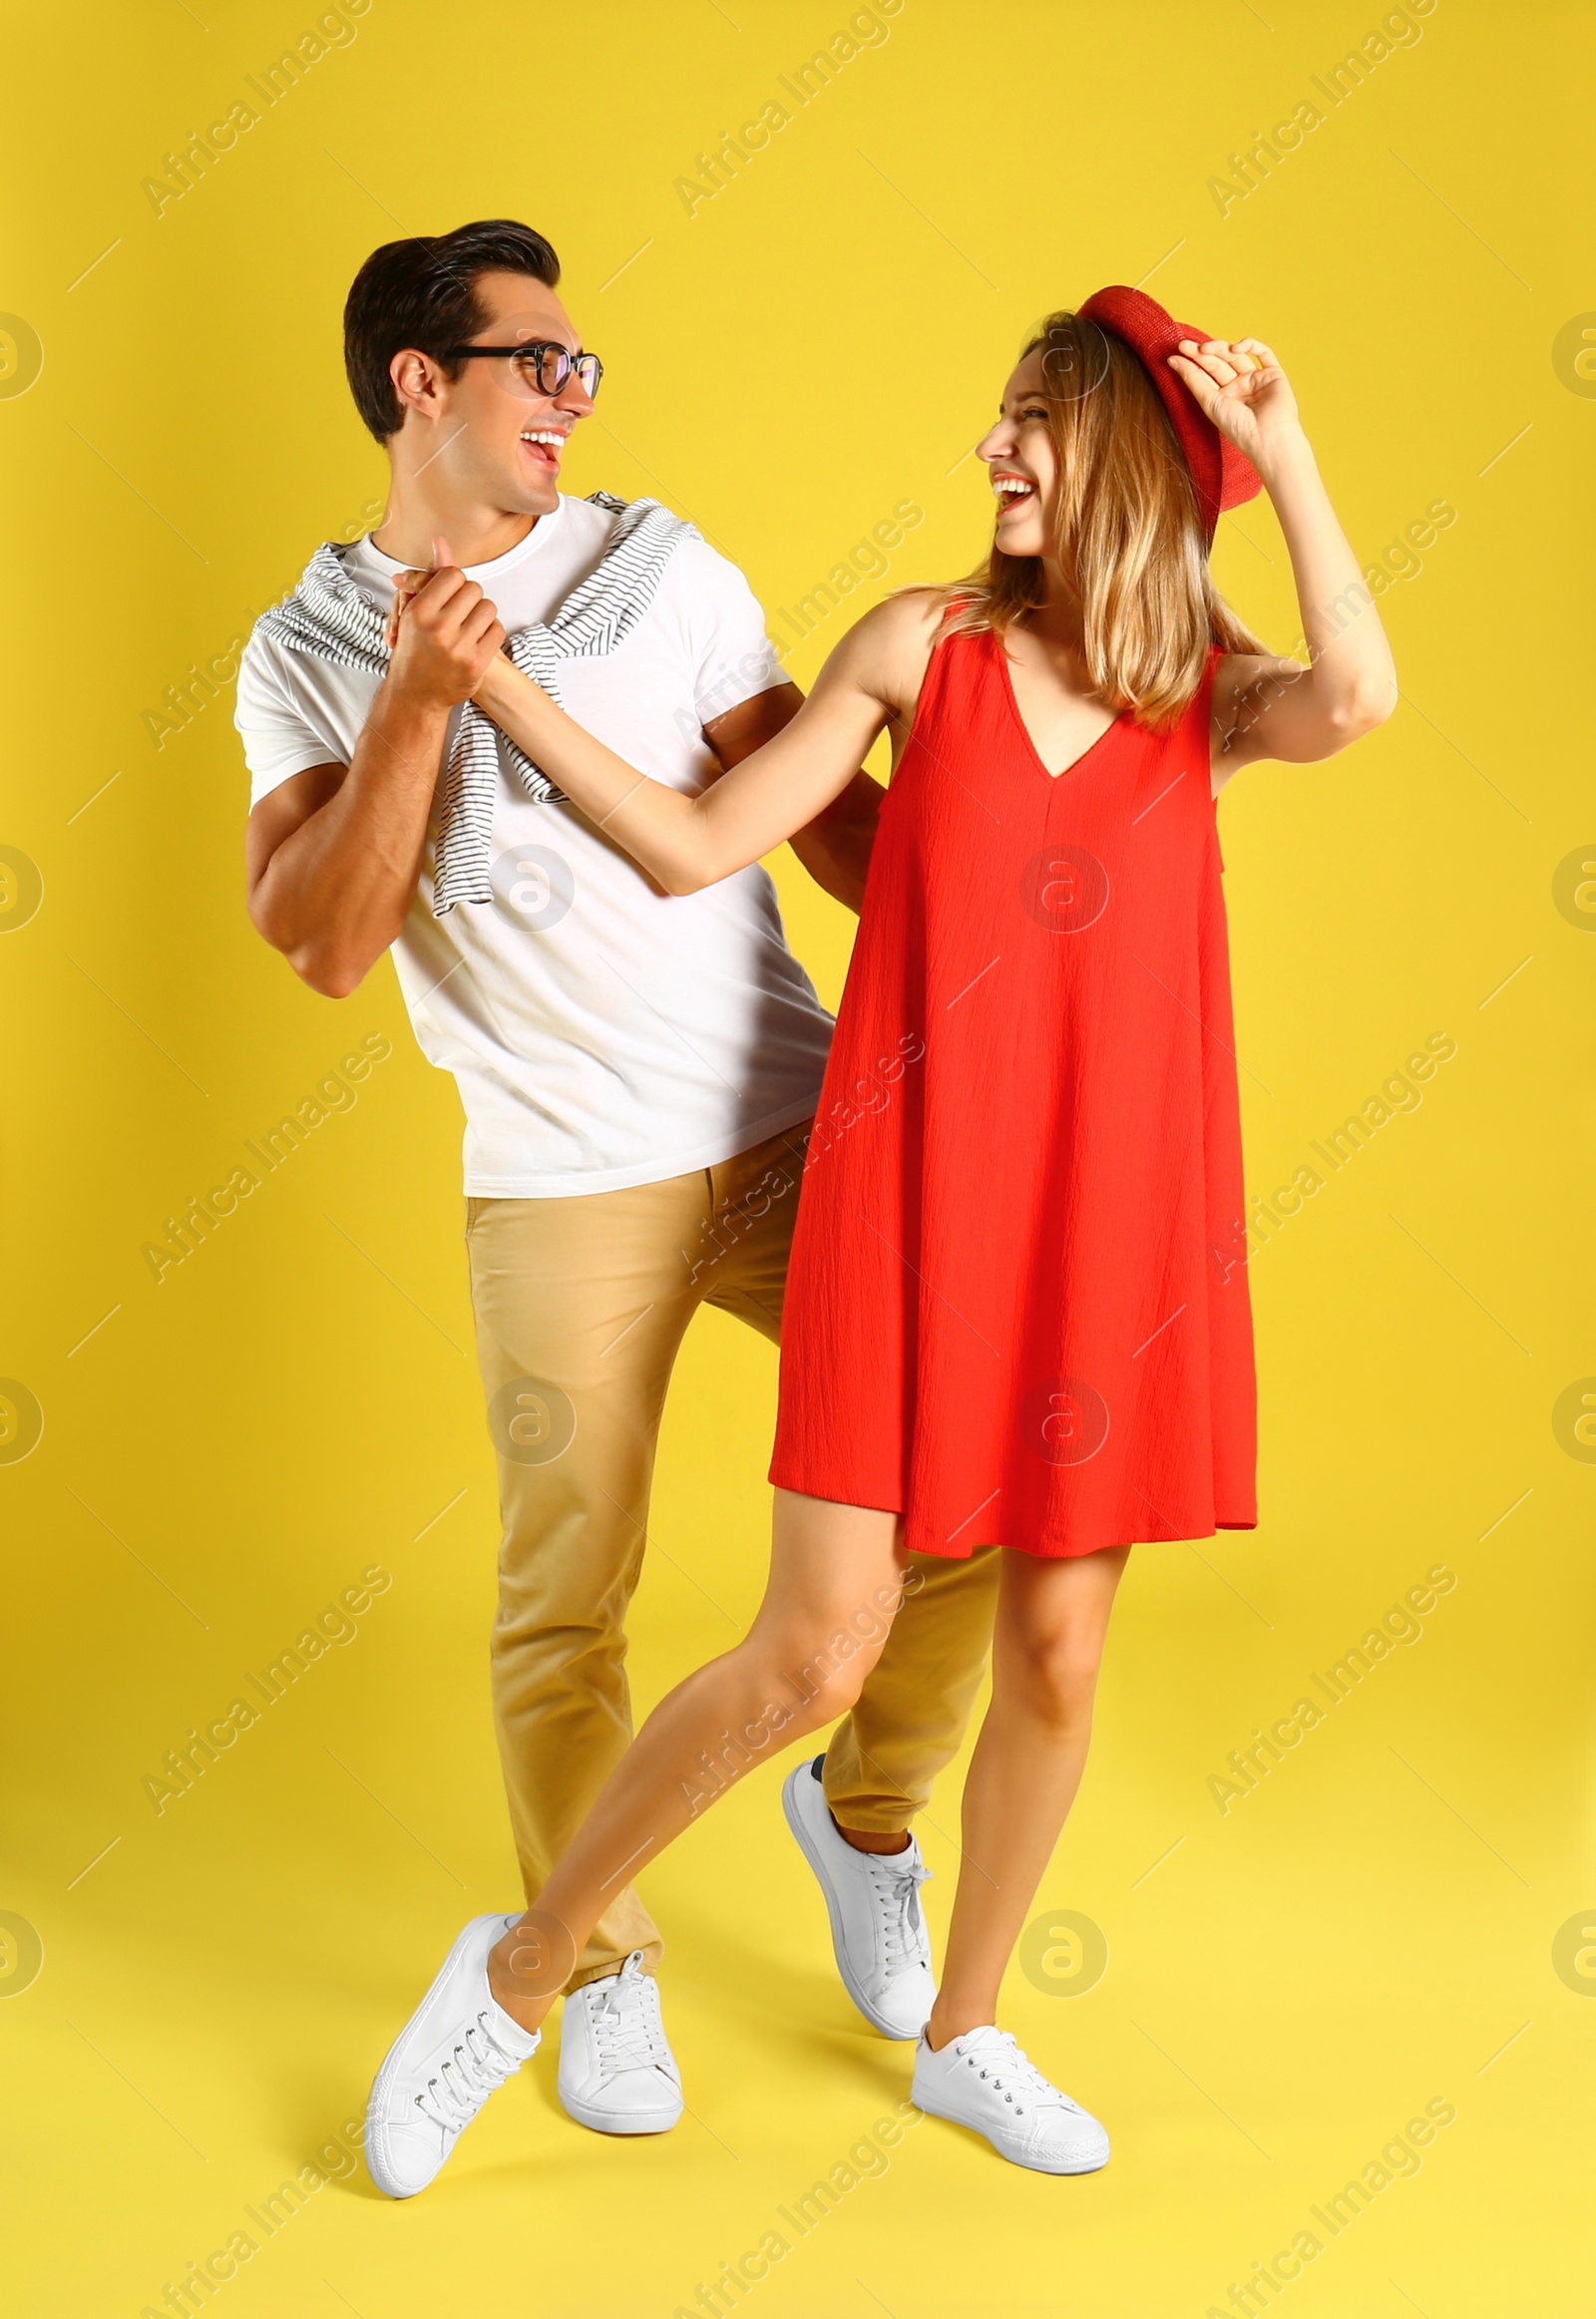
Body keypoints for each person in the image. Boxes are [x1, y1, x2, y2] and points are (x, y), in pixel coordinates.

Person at [371, 287, 1396, 2179]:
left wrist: (1286, 446)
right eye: (998, 416)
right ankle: (515, 1972)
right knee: (812, 1656)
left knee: (1064, 1654)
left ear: (1142, 462)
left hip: (1112, 1237)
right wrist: (500, 692)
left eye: (1037, 420)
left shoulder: (1202, 697)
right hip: (910, 1205)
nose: (997, 448)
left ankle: (968, 2026)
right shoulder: (924, 648)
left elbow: (1357, 696)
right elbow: (700, 844)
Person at [235, 219, 1005, 2190]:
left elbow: (821, 823)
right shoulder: (308, 643)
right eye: (541, 363)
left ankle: (865, 1817)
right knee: (559, 1597)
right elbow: (323, 941)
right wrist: (417, 698)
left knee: (982, 1488)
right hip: (553, 1181)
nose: (578, 398)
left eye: (586, 369)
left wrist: (1017, 818)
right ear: (424, 381)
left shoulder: (663, 566)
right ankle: (596, 1963)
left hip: (783, 1125)